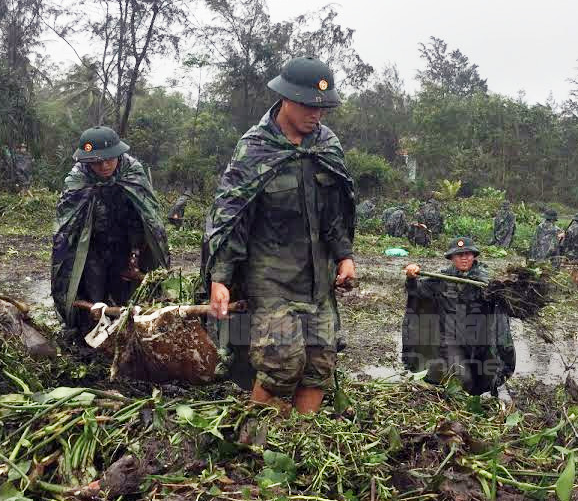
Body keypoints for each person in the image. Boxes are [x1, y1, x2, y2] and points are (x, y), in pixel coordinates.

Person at [201, 56, 355, 414]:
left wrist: (345, 256)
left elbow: (335, 212)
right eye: (308, 106)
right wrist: (220, 277)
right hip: (271, 276)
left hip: (318, 276)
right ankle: (252, 439)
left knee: (319, 363)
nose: (317, 115)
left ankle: (302, 441)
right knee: (280, 362)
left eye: (324, 108)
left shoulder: (327, 145)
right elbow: (231, 214)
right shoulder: (255, 147)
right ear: (285, 98)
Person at [51, 126, 170, 330]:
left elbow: (148, 217)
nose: (104, 165)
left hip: (127, 244)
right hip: (92, 248)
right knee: (94, 297)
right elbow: (67, 230)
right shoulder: (77, 179)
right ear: (87, 161)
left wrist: (135, 251)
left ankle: (126, 333)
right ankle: (89, 336)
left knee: (127, 298)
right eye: (97, 162)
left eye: (109, 159)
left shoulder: (132, 171)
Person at [402, 237, 515, 395]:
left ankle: (466, 405)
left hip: (479, 341)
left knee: (484, 378)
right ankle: (458, 409)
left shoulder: (486, 281)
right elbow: (417, 290)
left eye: (468, 254)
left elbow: (506, 306)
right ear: (452, 258)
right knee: (465, 378)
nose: (464, 258)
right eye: (459, 255)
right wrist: (411, 277)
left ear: (474, 256)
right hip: (451, 341)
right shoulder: (441, 279)